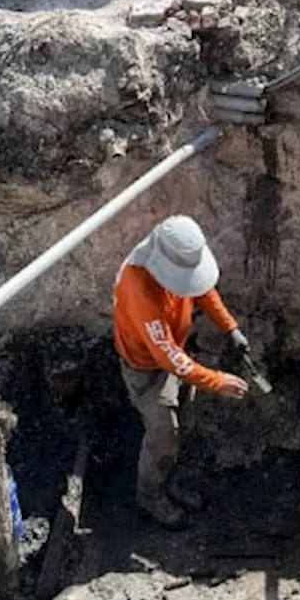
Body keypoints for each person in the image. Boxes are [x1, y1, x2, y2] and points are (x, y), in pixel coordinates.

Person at [112, 215, 250, 530]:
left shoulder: (172, 261)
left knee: (181, 423)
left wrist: (230, 328)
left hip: (173, 355)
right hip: (146, 369)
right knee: (163, 435)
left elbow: (200, 288)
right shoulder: (140, 288)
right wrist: (217, 381)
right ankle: (149, 495)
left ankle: (168, 479)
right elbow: (168, 357)